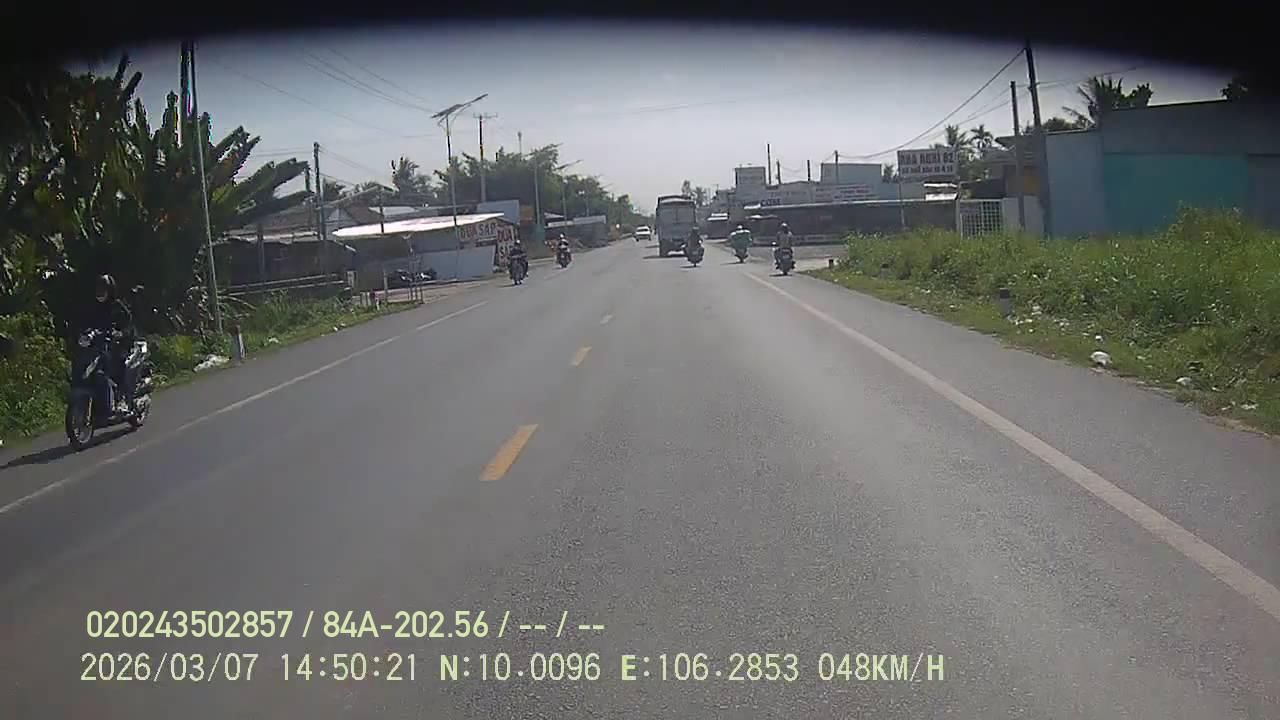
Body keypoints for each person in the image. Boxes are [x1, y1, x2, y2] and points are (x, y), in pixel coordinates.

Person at [90, 274, 135, 412]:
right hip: (101, 343)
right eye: (98, 289)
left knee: (120, 363)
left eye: (103, 289)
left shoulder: (117, 306)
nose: (100, 292)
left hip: (121, 343)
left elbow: (128, 323)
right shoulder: (94, 307)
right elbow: (86, 322)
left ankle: (122, 399)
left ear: (110, 290)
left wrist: (121, 333)